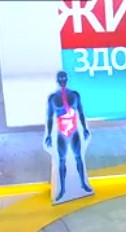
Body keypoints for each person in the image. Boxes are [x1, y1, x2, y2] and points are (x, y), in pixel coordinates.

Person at [45, 71, 93, 202]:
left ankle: (83, 183)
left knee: (78, 158)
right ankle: (62, 189)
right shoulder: (52, 98)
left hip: (74, 130)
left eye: (64, 78)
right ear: (57, 80)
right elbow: (50, 117)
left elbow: (81, 112)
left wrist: (84, 128)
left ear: (67, 79)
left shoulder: (75, 95)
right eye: (60, 78)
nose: (62, 80)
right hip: (61, 131)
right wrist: (48, 135)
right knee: (62, 160)